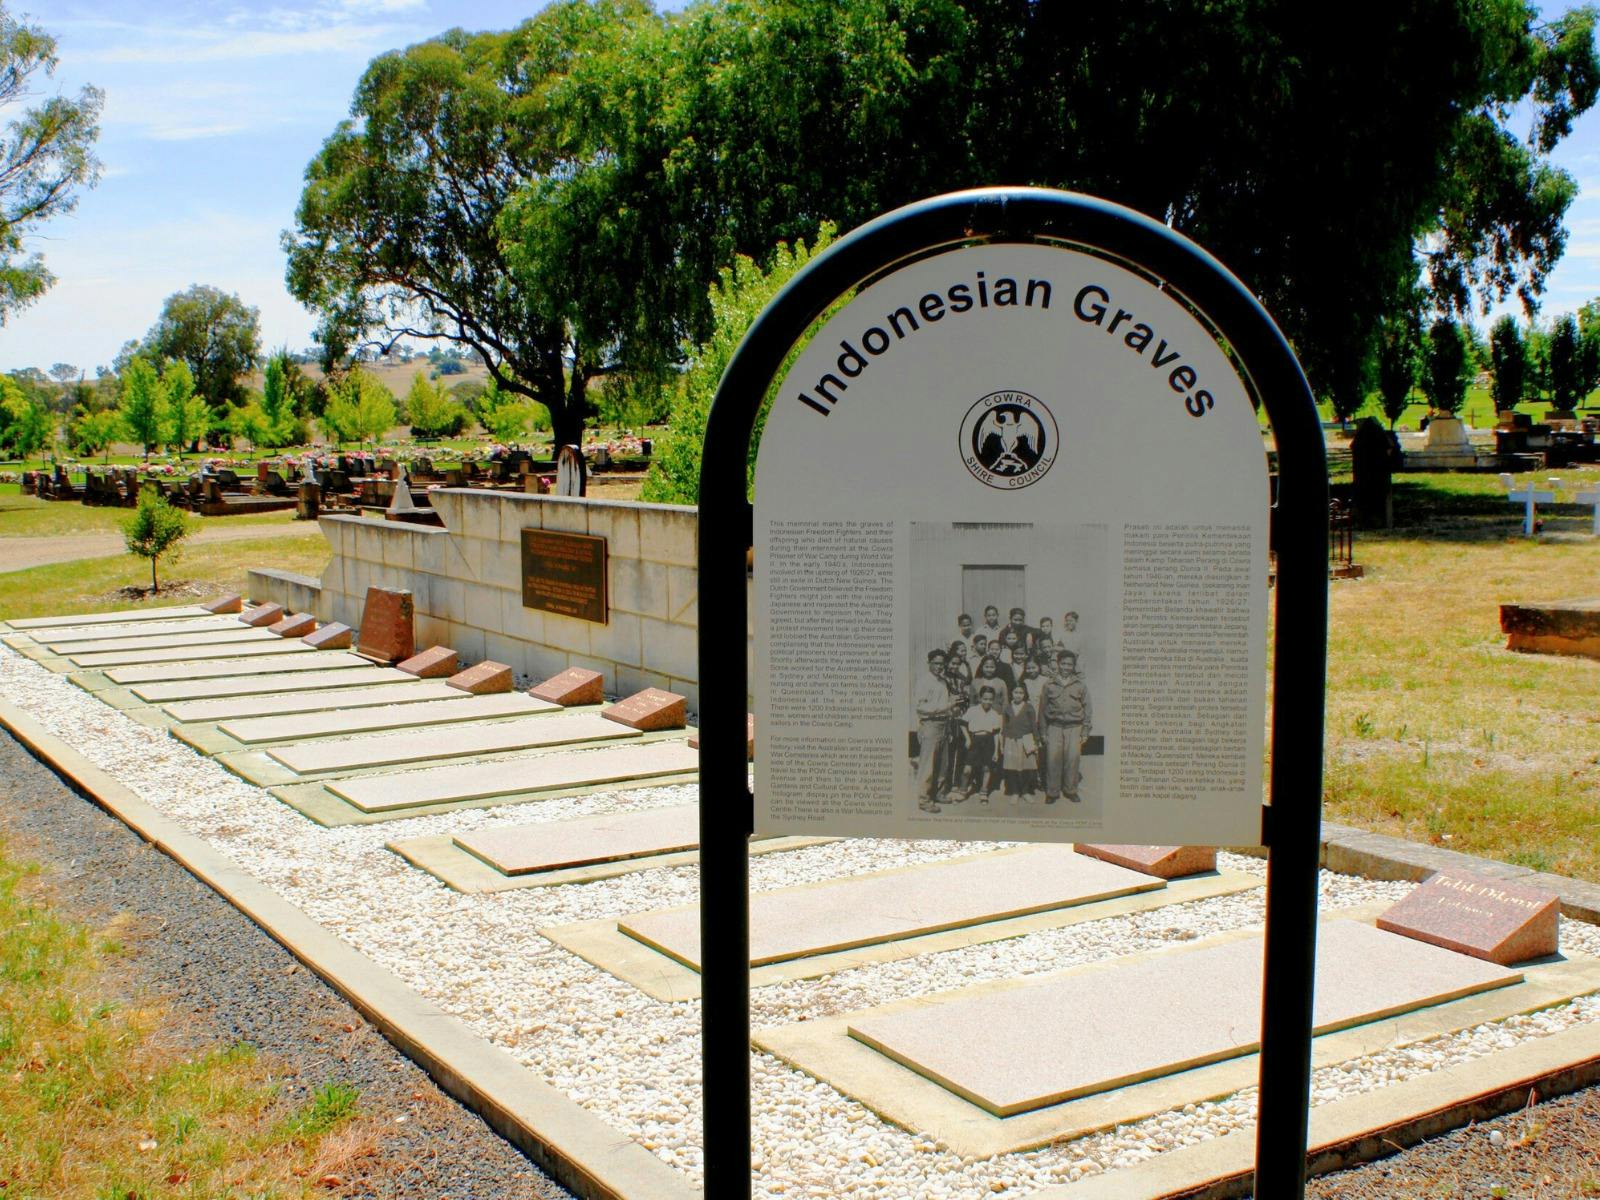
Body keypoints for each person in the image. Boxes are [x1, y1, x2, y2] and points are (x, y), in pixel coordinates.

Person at [1039, 648, 1092, 804]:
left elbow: (1088, 709)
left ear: (1074, 666)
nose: (1066, 667)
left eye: (1070, 664)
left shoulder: (1080, 685)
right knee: (1052, 760)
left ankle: (1070, 790)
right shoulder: (1049, 685)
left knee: (1072, 759)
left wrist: (1085, 730)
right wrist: (1043, 731)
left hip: (1074, 727)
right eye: (1063, 664)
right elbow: (1042, 709)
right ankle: (1052, 792)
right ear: (1058, 664)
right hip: (1054, 726)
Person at [914, 649, 958, 813]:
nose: (940, 666)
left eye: (942, 663)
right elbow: (921, 707)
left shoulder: (942, 681)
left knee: (943, 763)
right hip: (930, 724)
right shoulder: (923, 682)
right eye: (936, 663)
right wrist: (946, 706)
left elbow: (946, 705)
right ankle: (924, 800)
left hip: (944, 724)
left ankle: (939, 793)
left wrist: (951, 711)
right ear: (929, 663)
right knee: (928, 765)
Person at [1000, 683, 1040, 805]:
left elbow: (1034, 725)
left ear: (1025, 694)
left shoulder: (1029, 707)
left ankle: (1025, 791)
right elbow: (1004, 727)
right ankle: (1015, 792)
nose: (1018, 695)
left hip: (1026, 740)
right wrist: (1002, 743)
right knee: (1012, 768)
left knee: (1026, 768)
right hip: (1011, 740)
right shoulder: (1007, 708)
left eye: (1021, 693)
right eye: (1016, 692)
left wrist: (1036, 741)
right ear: (1011, 693)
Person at [964, 685, 1003, 803]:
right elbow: (962, 723)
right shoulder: (972, 710)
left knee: (986, 768)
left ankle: (984, 792)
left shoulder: (995, 714)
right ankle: (963, 790)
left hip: (989, 741)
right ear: (980, 698)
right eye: (985, 699)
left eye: (990, 699)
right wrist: (967, 739)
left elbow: (996, 734)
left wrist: (996, 750)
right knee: (967, 769)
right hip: (975, 740)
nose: (988, 701)